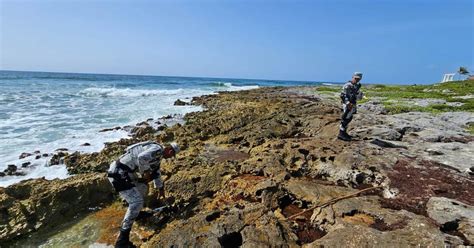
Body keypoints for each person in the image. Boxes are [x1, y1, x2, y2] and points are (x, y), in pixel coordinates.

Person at [107, 141, 180, 248]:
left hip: (126, 173)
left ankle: (136, 213)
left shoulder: (157, 155)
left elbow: (156, 171)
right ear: (169, 151)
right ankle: (122, 241)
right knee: (137, 202)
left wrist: (160, 188)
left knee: (143, 187)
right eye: (172, 155)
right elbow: (141, 157)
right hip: (118, 174)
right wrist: (146, 172)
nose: (170, 158)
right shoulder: (157, 150)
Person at [338, 72, 363, 141]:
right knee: (345, 118)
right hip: (347, 104)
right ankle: (341, 133)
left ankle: (344, 132)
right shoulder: (348, 85)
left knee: (349, 118)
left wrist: (360, 95)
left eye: (358, 79)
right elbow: (343, 95)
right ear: (353, 77)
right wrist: (348, 103)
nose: (357, 80)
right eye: (355, 78)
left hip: (353, 104)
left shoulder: (356, 86)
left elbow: (357, 96)